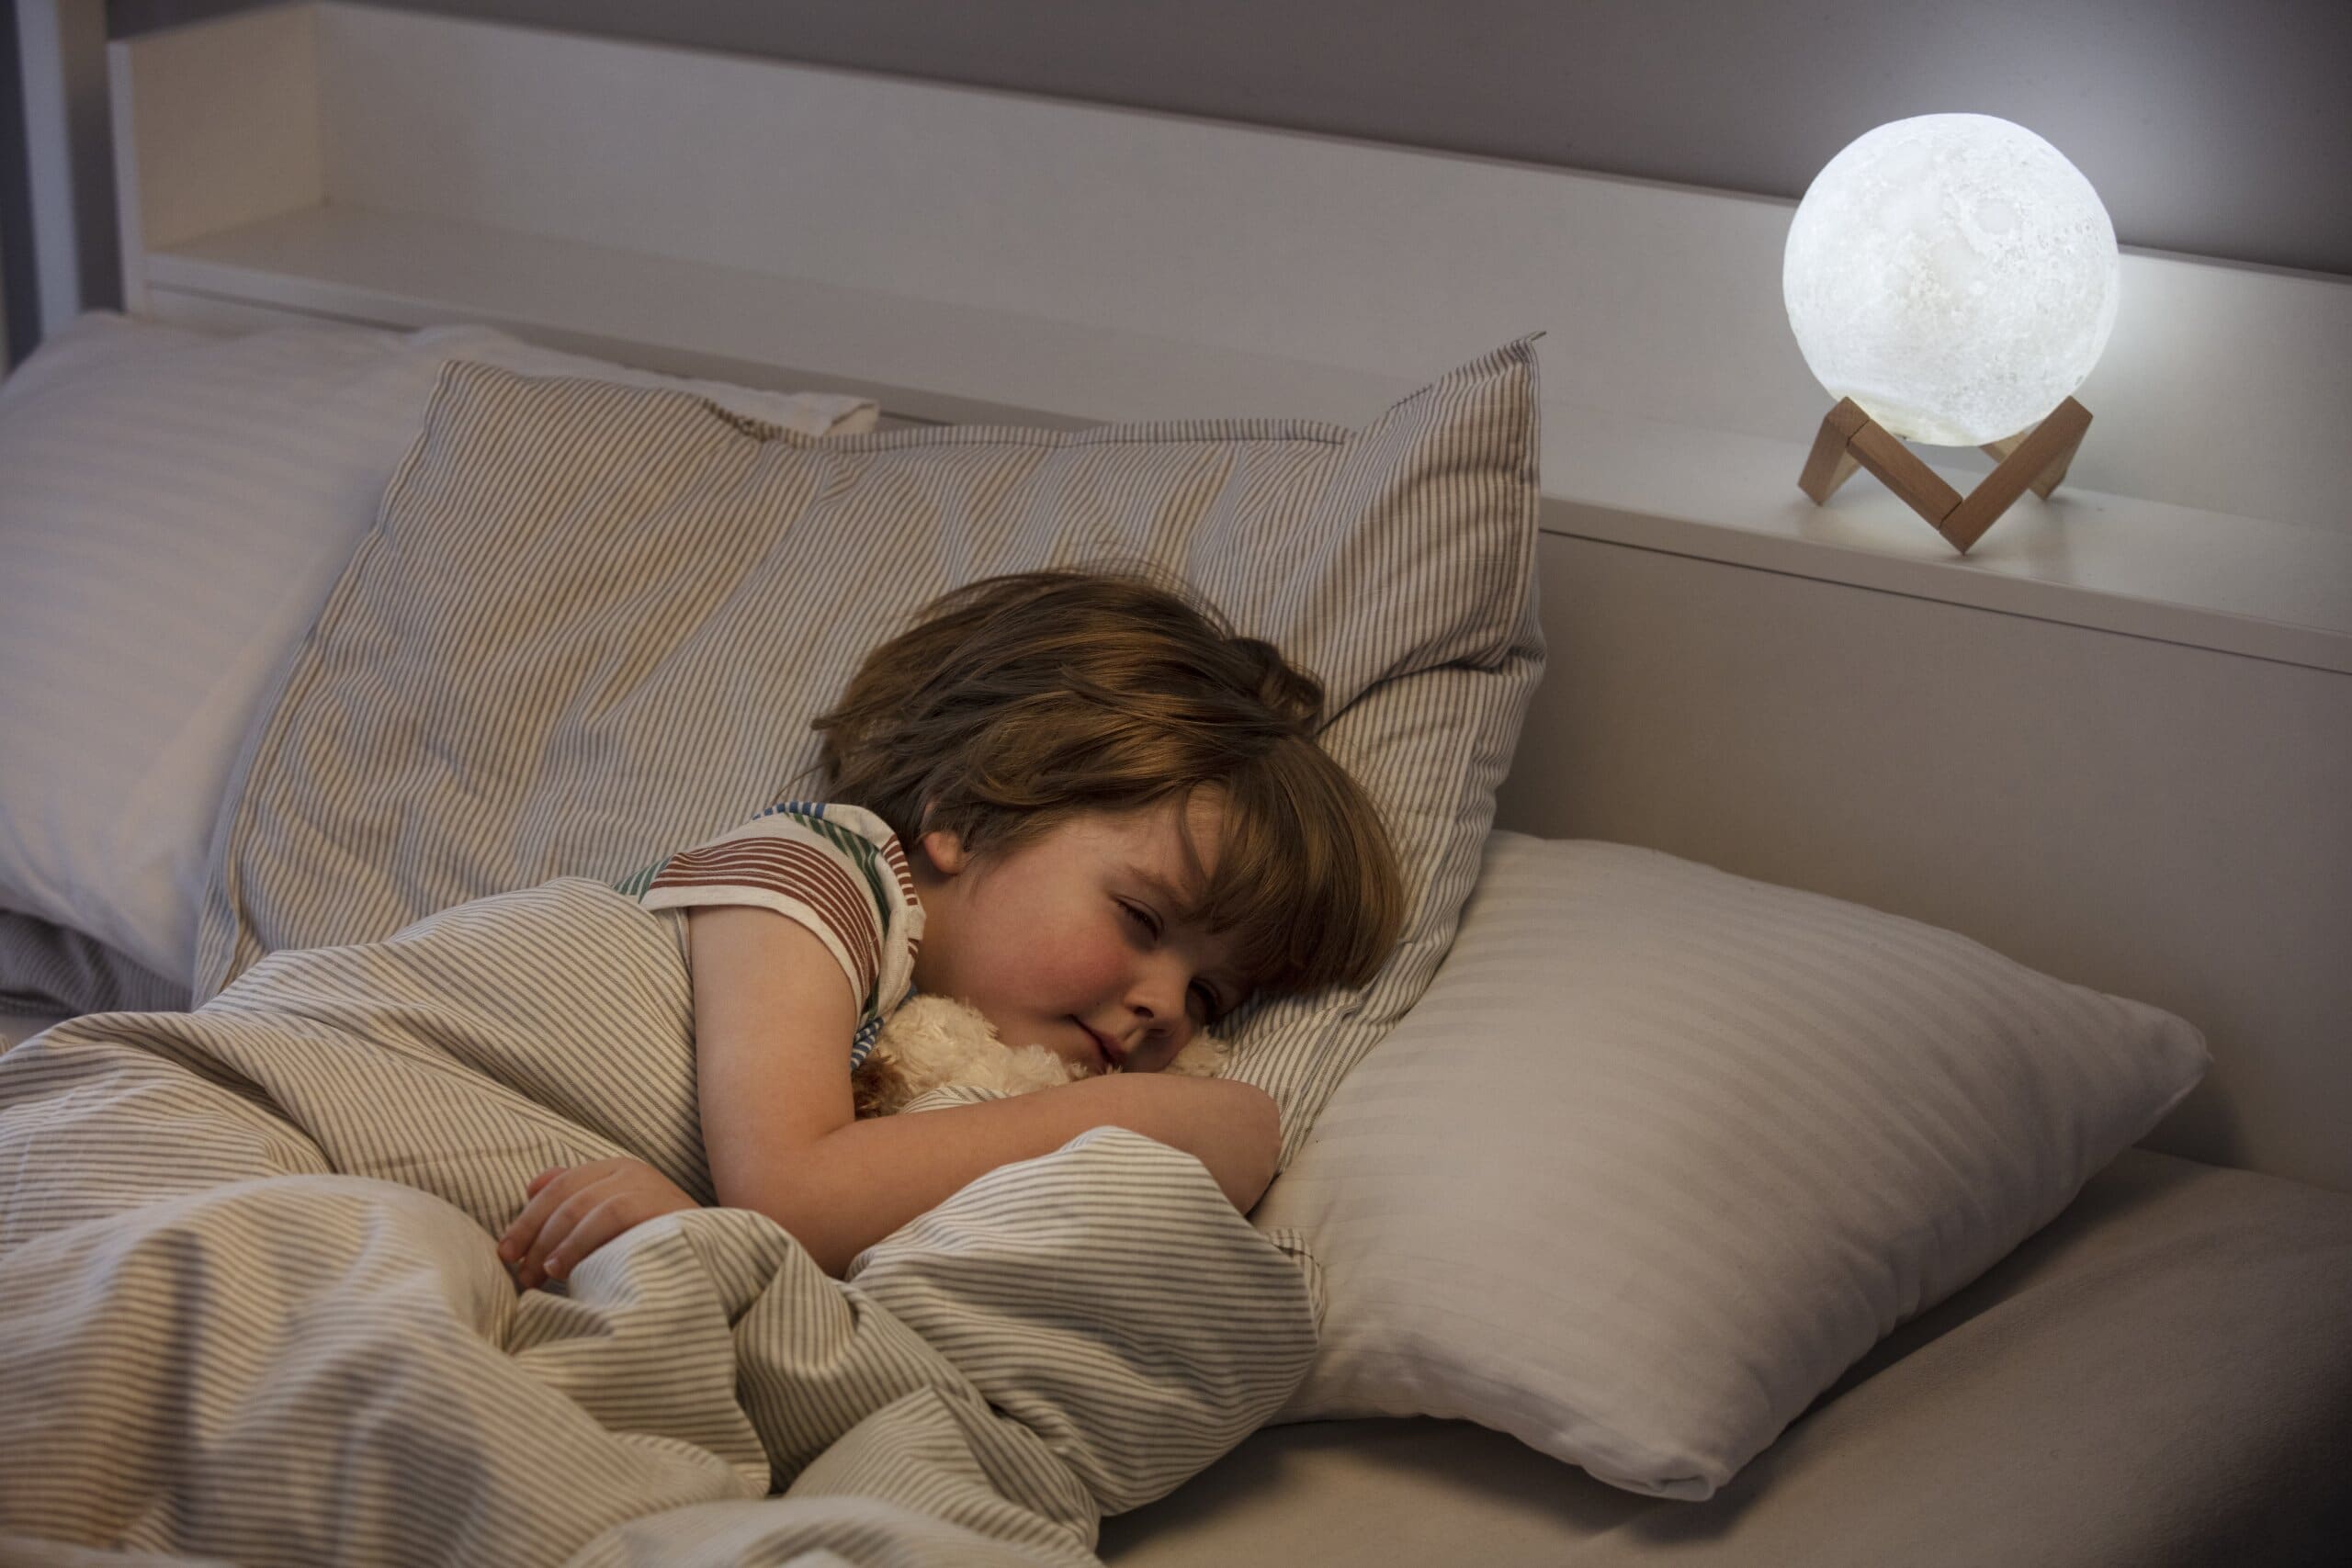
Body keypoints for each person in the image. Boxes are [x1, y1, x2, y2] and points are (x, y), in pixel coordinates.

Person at [497, 568, 1403, 1283]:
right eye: (1141, 918)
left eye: (1211, 995)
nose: (1168, 1008)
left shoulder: (916, 1054)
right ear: (963, 819)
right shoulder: (820, 869)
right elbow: (790, 1200)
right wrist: (1147, 1120)